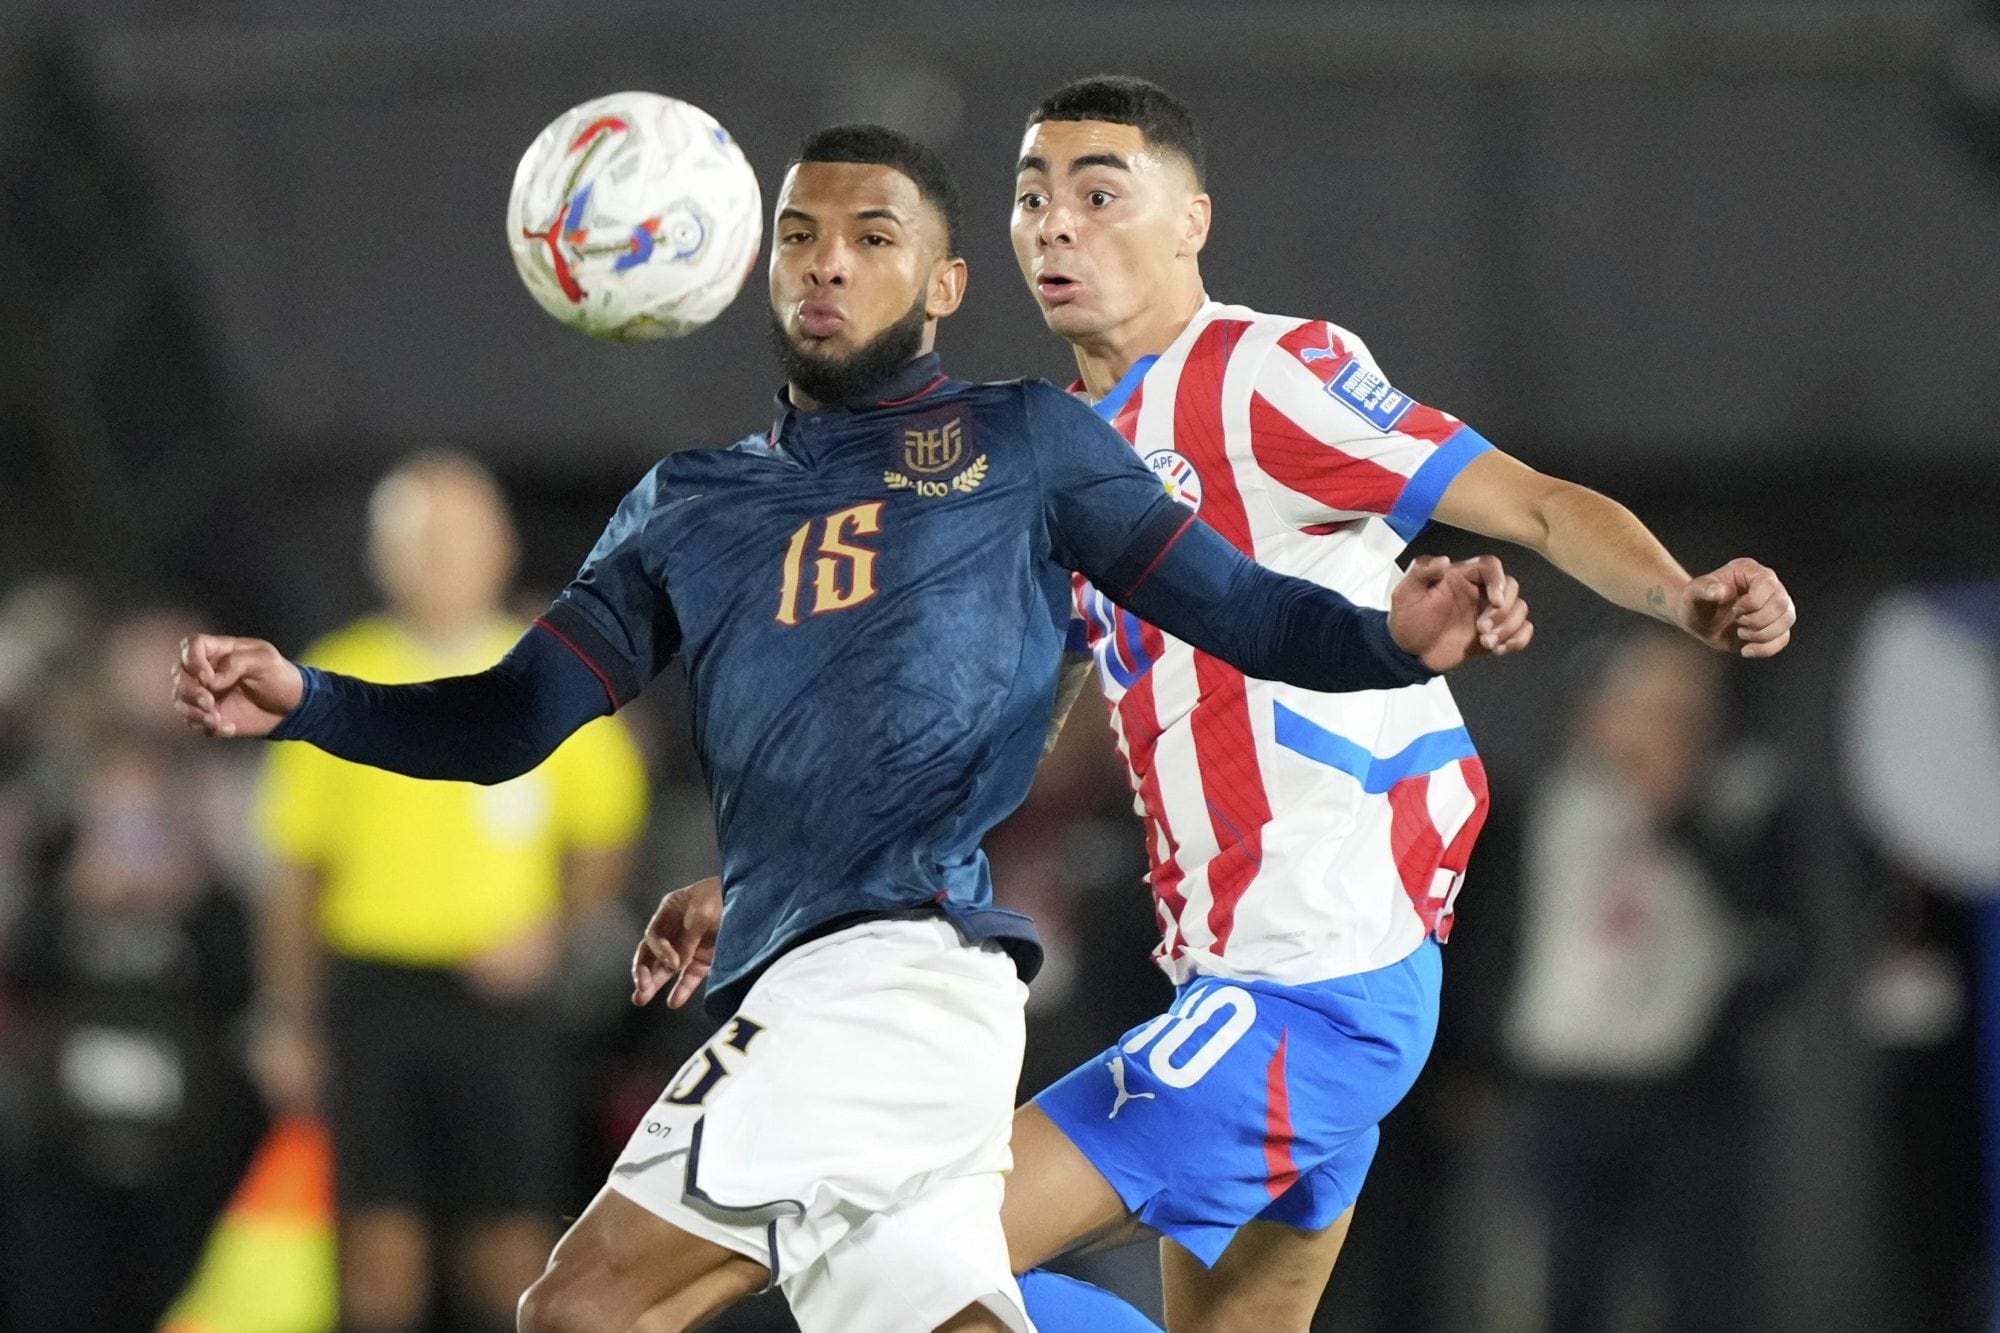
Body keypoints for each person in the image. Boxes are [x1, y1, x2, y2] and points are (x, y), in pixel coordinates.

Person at [175, 123, 1530, 1333]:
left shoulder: (1028, 443)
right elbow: (508, 718)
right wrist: (312, 700)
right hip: (823, 974)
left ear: (945, 284)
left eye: (874, 237)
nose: (827, 261)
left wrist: (1388, 637)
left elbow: (1244, 611)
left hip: (889, 978)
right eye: (799, 234)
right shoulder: (689, 504)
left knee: (583, 1306)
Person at [985, 75, 1799, 1331]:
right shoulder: (1067, 454)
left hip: (1309, 983)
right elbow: (1020, 725)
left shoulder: (1255, 374)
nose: (1055, 223)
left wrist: (1676, 595)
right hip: (1243, 979)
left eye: (1098, 195)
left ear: (1192, 219)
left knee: (917, 1251)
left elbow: (1530, 503)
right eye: (1032, 196)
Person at [251, 453, 648, 1333]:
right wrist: (287, 1014)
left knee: (509, 1253)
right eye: (416, 540)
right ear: (380, 555)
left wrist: (554, 930)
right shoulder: (334, 674)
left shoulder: (554, 674)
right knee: (378, 1261)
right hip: (375, 993)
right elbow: (295, 871)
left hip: (499, 1007)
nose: (437, 559)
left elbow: (606, 835)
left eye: (456, 537)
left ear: (499, 546)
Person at [1506, 630, 1798, 1332]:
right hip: (1567, 1080)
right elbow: (1500, 932)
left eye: (1686, 712)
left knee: (1705, 1292)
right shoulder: (1554, 800)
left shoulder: (1745, 803)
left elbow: (1782, 941)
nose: (1667, 729)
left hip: (1688, 1087)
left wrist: (1680, 814)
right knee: (1566, 1289)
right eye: (1649, 707)